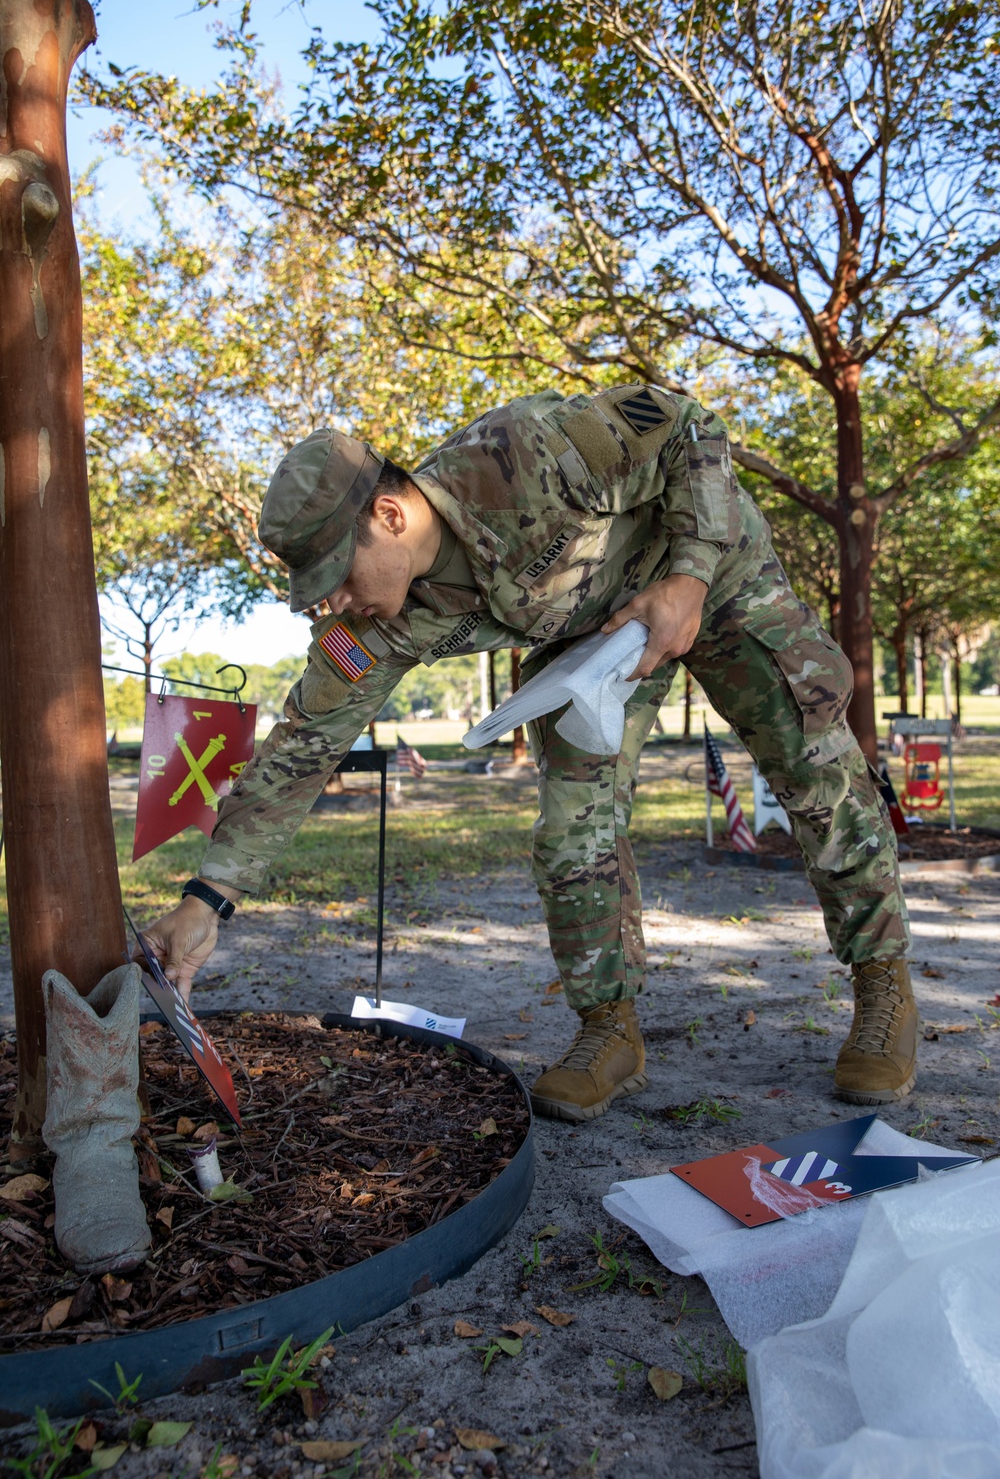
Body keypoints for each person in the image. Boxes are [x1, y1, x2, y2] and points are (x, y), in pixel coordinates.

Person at [140, 384, 917, 1122]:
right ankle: (610, 1027)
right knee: (571, 826)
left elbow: (685, 426)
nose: (330, 601)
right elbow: (304, 745)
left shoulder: (527, 455)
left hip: (716, 574)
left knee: (814, 767)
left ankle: (883, 987)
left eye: (334, 574)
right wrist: (206, 899)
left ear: (388, 514)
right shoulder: (371, 629)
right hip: (598, 640)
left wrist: (687, 578)